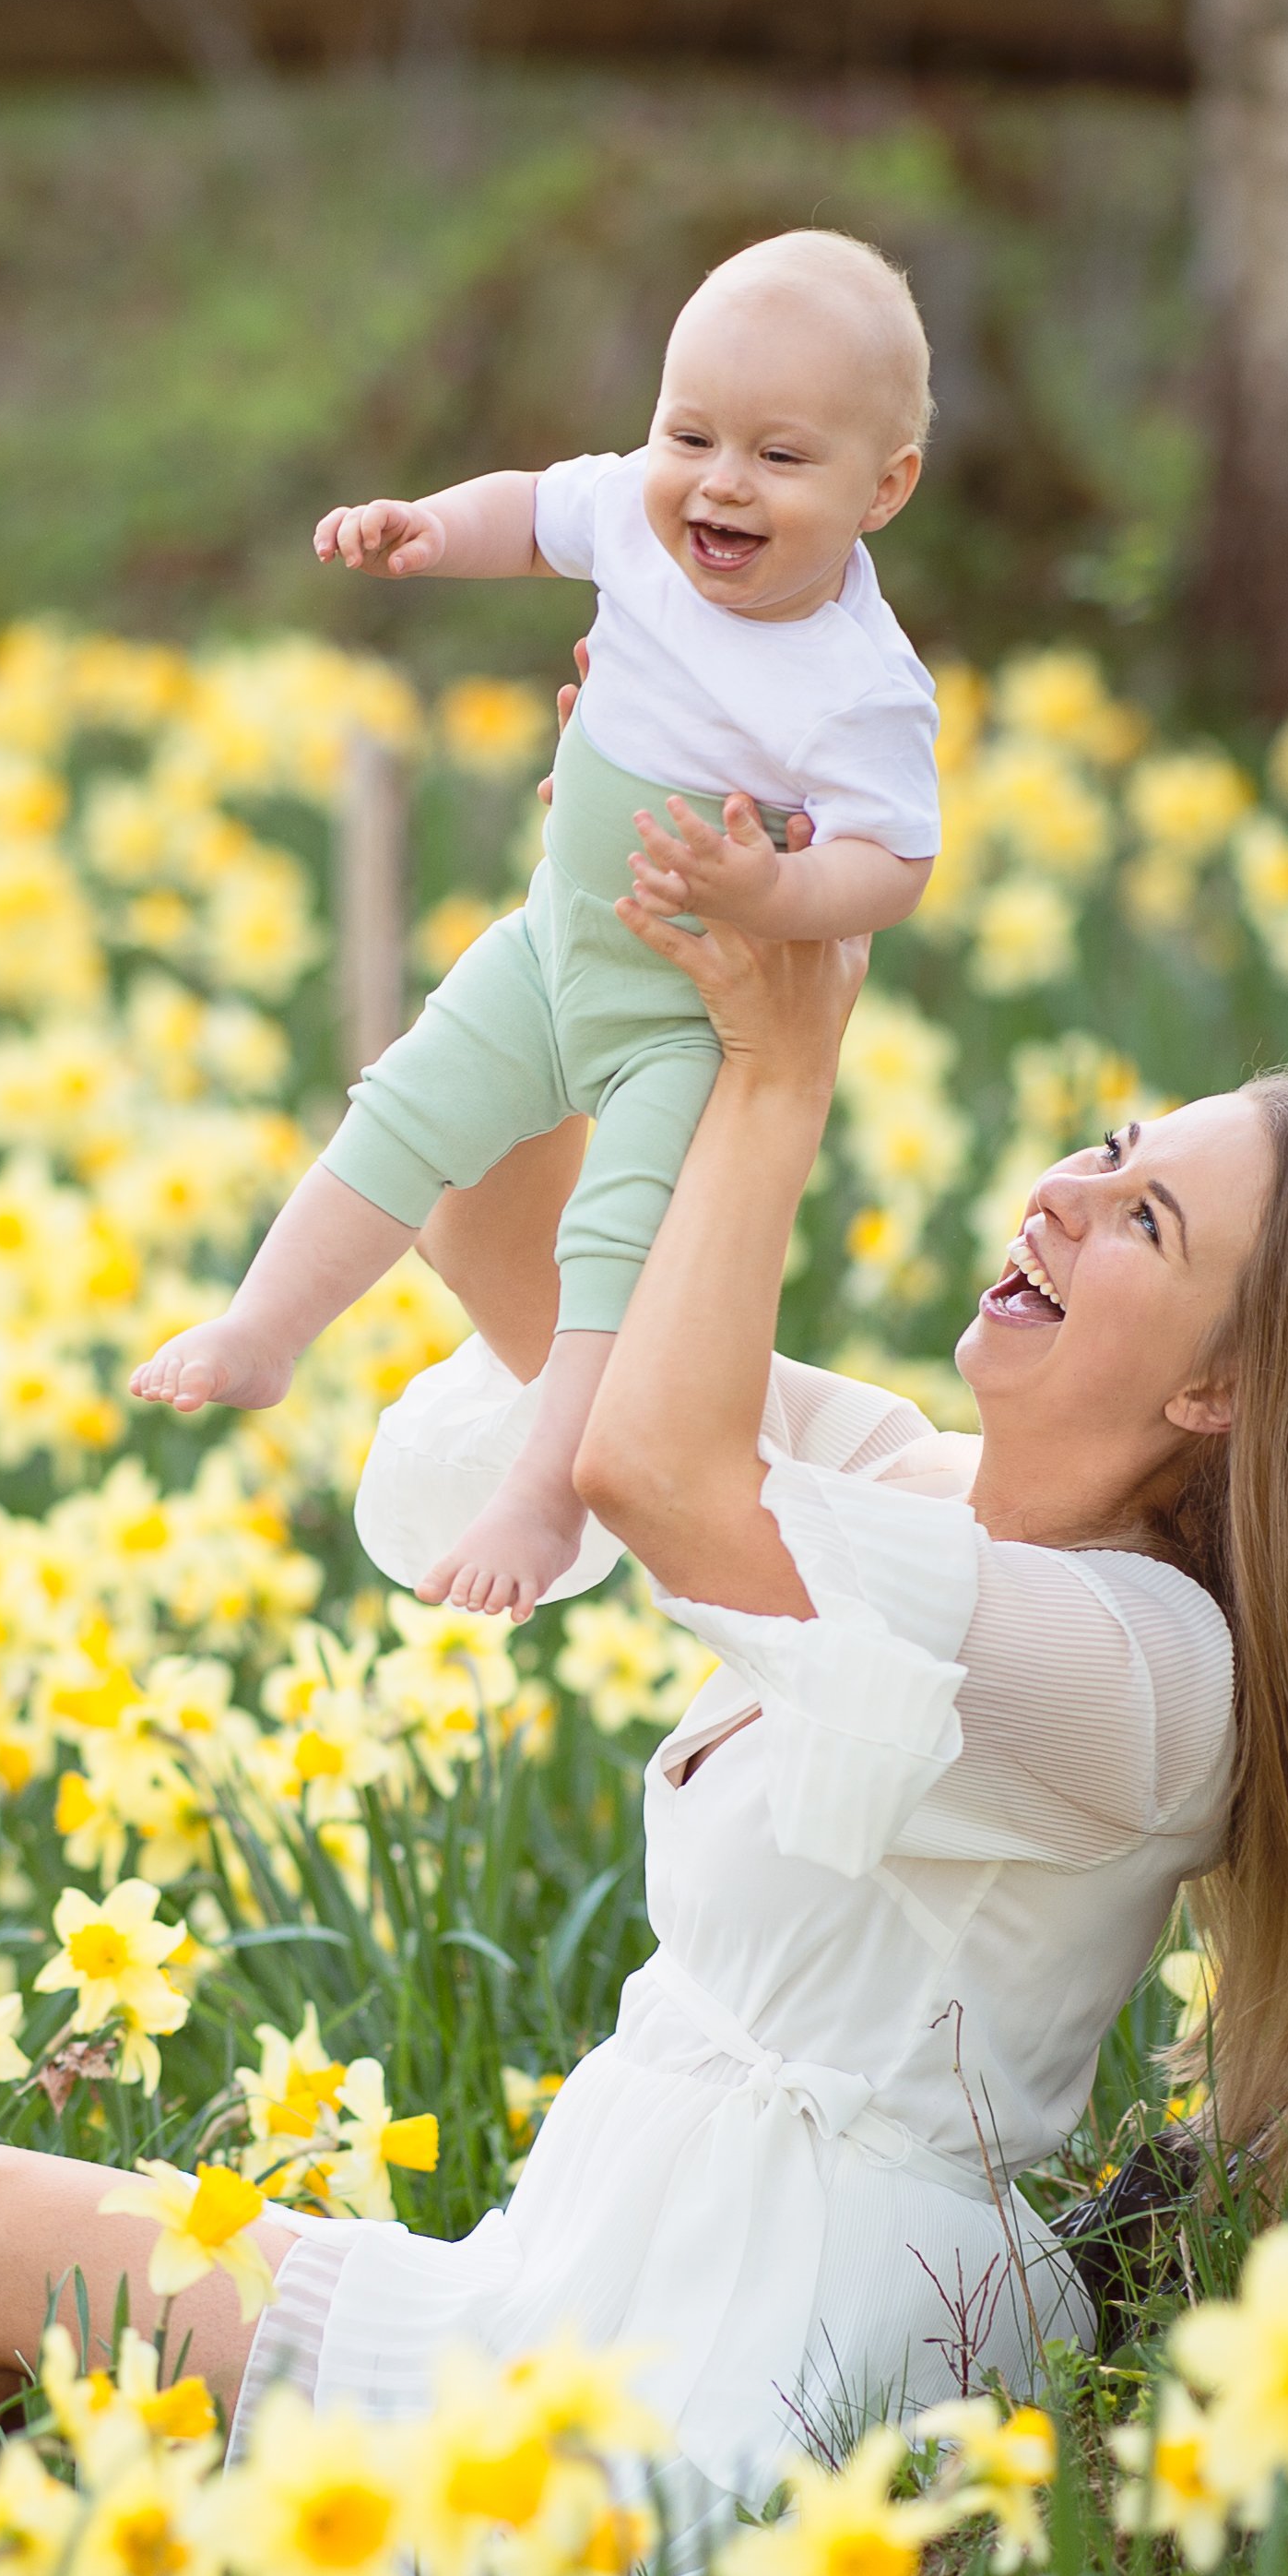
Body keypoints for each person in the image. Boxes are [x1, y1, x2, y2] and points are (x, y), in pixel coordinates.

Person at [0, 904, 1288, 2511]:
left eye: (1145, 1223)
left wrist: (781, 1084)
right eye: (1108, 1152)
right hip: (592, 2272)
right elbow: (495, 1222)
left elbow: (650, 1464)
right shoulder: (903, 1477)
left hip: (749, 2353)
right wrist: (626, 875)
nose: (1063, 1194)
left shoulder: (1146, 1675)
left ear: (1220, 1392)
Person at [127, 230, 947, 1621]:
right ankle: (265, 1327)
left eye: (780, 457)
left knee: (613, 1246)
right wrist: (429, 531)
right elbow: (528, 511)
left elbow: (894, 859)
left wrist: (776, 896)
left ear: (886, 490)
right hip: (552, 941)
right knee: (401, 1107)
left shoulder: (855, 682)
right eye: (689, 433)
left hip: (682, 1014)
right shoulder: (639, 513)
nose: (718, 482)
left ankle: (546, 1492)